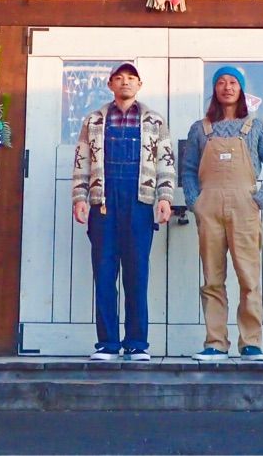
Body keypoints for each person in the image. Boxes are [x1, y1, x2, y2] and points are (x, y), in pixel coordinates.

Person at [72, 62, 175, 361]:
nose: (125, 83)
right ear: (110, 84)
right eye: (119, 78)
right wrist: (80, 197)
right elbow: (81, 162)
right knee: (104, 274)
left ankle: (137, 343)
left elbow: (166, 162)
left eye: (131, 78)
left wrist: (165, 197)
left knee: (136, 274)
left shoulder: (154, 120)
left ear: (139, 84)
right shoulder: (93, 121)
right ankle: (107, 344)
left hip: (139, 202)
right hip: (103, 203)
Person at [181, 65, 263, 362]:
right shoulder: (200, 129)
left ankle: (251, 343)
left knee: (248, 278)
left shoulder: (258, 128)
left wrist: (259, 200)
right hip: (209, 208)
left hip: (245, 208)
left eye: (233, 83)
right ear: (214, 89)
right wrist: (196, 202)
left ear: (241, 89)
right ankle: (215, 343)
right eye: (221, 82)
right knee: (212, 278)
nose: (227, 87)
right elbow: (188, 171)